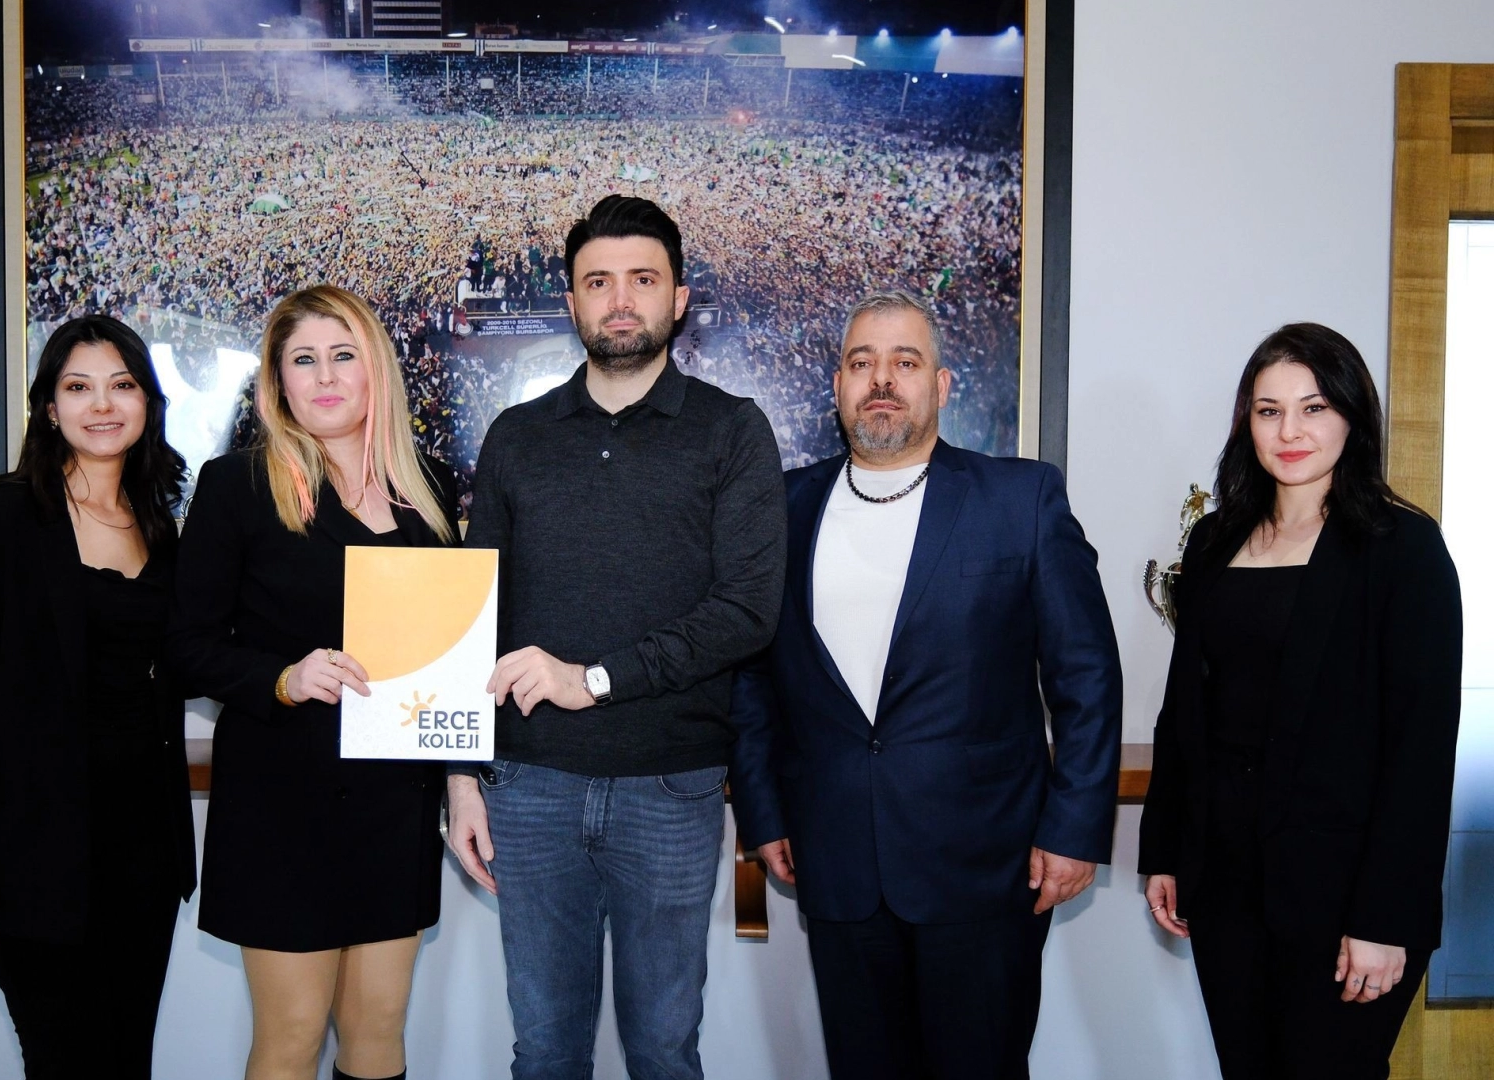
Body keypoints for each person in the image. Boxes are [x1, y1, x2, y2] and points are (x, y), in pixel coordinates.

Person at [729, 290, 1123, 1080]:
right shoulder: (783, 508)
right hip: (836, 861)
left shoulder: (1020, 499)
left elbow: (1085, 675)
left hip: (985, 868)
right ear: (837, 385)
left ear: (940, 385)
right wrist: (762, 812)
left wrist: (1075, 829)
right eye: (861, 363)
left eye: (904, 362)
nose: (881, 379)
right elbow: (751, 676)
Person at [446, 194, 787, 1080]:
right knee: (543, 1053)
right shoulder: (517, 436)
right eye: (598, 281)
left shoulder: (731, 431)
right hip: (528, 787)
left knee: (664, 1053)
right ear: (571, 301)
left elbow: (747, 610)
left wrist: (591, 678)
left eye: (643, 278)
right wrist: (460, 777)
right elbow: (472, 616)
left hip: (670, 789)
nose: (621, 299)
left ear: (680, 297)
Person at [1138, 323, 1462, 1079]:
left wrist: (1385, 917)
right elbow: (1185, 710)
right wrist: (1166, 851)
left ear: (1352, 416)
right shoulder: (1213, 540)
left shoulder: (1403, 548)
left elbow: (1420, 749)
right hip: (1226, 880)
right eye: (1268, 410)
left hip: (1348, 895)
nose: (1289, 431)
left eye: (1313, 408)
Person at [168, 285, 459, 1080]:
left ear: (375, 371)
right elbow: (185, 648)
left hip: (395, 801)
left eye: (342, 355)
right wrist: (282, 678)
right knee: (292, 1034)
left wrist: (463, 777)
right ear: (278, 381)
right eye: (303, 360)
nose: (325, 376)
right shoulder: (236, 485)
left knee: (379, 1028)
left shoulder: (429, 488)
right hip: (281, 804)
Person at [0, 315, 197, 1079]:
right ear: (50, 407)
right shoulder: (0, 516)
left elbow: (187, 663)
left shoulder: (161, 526)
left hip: (144, 853)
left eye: (122, 385)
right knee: (63, 1062)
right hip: (34, 855)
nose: (101, 405)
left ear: (147, 402)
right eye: (78, 387)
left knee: (126, 1062)